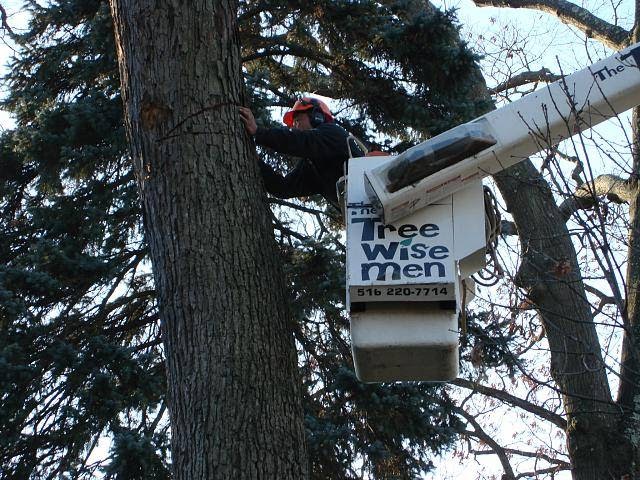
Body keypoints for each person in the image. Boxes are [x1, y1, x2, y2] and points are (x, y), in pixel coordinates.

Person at [239, 97, 363, 208]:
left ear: (316, 117)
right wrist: (258, 163)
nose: (294, 127)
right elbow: (284, 188)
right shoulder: (312, 166)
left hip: (369, 200)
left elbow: (299, 140)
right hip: (363, 212)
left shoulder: (333, 133)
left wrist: (258, 132)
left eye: (297, 120)